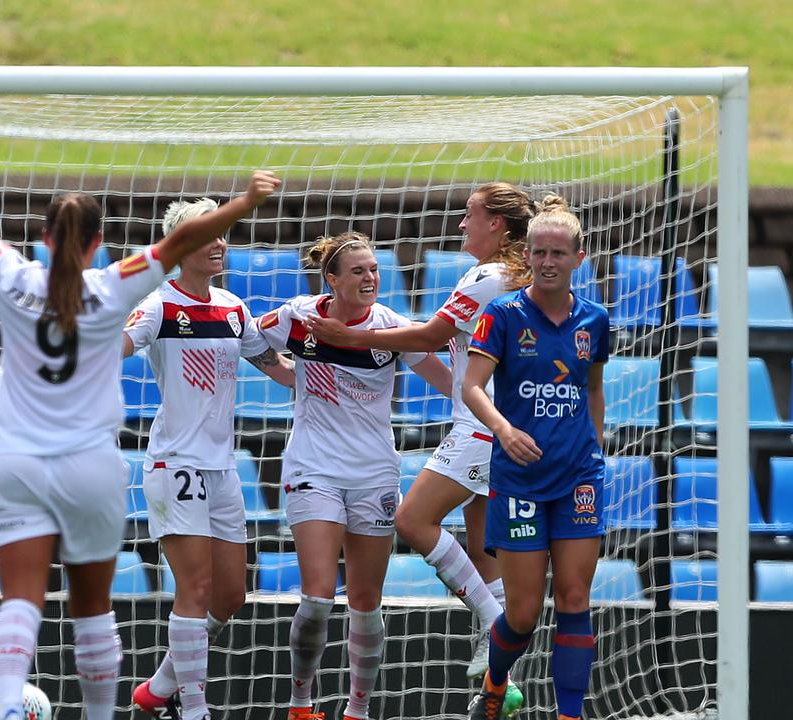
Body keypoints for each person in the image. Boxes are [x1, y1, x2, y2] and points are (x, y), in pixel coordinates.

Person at [0, 130, 281, 720]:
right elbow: (178, 243)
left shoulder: (15, 279)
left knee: (21, 598)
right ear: (97, 242)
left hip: (16, 462)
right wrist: (245, 203)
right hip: (91, 467)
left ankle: (11, 705)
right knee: (92, 606)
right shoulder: (115, 287)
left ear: (43, 238)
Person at [305, 183, 535, 684]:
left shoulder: (489, 276)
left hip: (484, 425)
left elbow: (432, 335)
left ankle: (495, 625)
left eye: (469, 215)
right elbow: (439, 350)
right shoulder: (516, 275)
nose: (460, 225)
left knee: (411, 521)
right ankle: (501, 682)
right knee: (483, 552)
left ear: (496, 224)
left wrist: (354, 337)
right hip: (503, 420)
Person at [258, 231, 454, 720]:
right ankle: (300, 705)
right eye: (358, 271)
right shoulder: (298, 317)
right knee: (319, 597)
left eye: (374, 269)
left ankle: (357, 710)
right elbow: (246, 336)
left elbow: (450, 382)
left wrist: (492, 413)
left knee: (366, 603)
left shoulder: (391, 328)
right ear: (332, 280)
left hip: (374, 475)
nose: (371, 279)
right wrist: (283, 371)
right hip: (313, 468)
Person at [124, 197, 294, 720]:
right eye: (208, 235)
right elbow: (115, 346)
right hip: (175, 464)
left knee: (232, 595)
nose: (220, 243)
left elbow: (279, 367)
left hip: (222, 469)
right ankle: (193, 708)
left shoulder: (232, 307)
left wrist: (339, 367)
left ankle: (157, 688)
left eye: (223, 233)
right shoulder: (158, 305)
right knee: (194, 590)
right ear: (182, 247)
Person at [462, 195, 609, 720]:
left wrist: (594, 444)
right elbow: (472, 387)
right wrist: (503, 429)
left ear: (579, 257)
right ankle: (496, 681)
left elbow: (592, 388)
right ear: (527, 253)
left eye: (558, 253)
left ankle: (570, 714)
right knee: (522, 614)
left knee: (573, 599)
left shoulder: (595, 319)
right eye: (539, 252)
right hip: (520, 479)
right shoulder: (502, 314)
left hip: (578, 479)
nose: (548, 262)